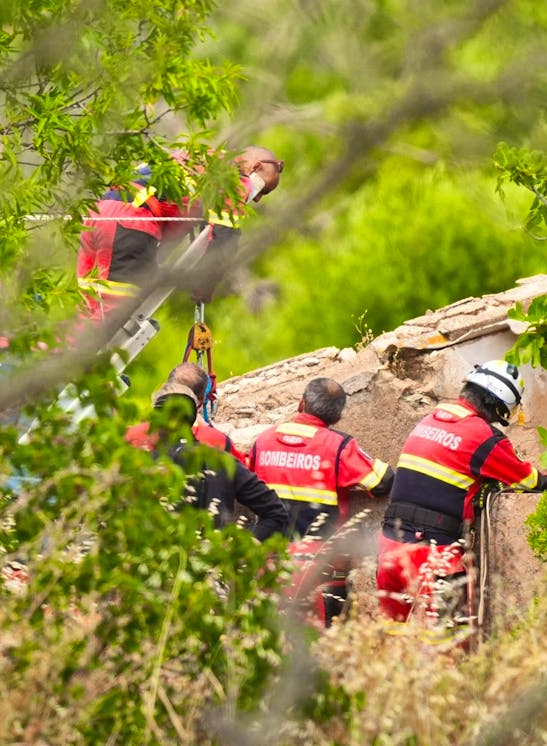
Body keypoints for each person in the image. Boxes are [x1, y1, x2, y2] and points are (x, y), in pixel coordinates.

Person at [376, 360, 547, 629]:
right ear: (498, 403)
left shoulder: (428, 420)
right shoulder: (483, 436)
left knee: (390, 639)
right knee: (450, 645)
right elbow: (526, 479)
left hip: (389, 548)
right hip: (434, 554)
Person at [249, 377, 394, 627]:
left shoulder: (263, 441)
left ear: (301, 403)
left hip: (268, 559)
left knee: (267, 639)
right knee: (323, 645)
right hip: (321, 564)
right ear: (337, 418)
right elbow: (382, 481)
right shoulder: (338, 446)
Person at [76, 145, 284, 320]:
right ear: (255, 167)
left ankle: (52, 358)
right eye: (264, 189)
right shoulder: (235, 179)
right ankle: (83, 366)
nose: (257, 199)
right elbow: (225, 238)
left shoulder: (198, 157)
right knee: (112, 316)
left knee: (87, 310)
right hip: (130, 223)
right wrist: (206, 284)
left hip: (99, 213)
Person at [125, 363, 288, 541]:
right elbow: (275, 511)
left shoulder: (137, 458)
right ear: (199, 404)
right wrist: (242, 552)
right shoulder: (221, 453)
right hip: (214, 560)